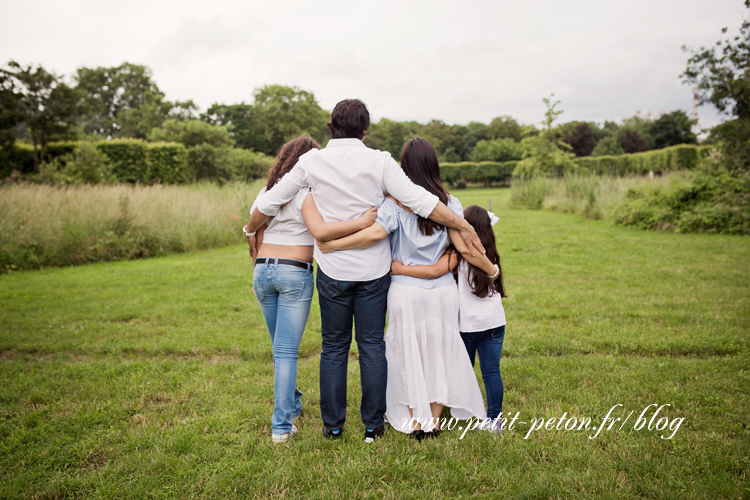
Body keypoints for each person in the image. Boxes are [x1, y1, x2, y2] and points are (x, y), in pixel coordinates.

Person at [243, 99, 484, 443]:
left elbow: (268, 203)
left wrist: (250, 231)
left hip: (333, 270)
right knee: (371, 346)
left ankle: (334, 426)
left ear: (331, 126)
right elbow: (420, 200)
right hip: (373, 271)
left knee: (334, 348)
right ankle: (373, 426)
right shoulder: (379, 160)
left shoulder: (311, 161)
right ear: (364, 129)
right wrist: (463, 224)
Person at [317, 138, 498, 440]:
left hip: (404, 290)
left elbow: (373, 235)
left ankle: (416, 421)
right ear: (434, 164)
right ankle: (435, 420)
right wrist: (492, 269)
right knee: (439, 352)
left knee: (406, 354)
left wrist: (334, 244)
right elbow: (466, 248)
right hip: (442, 292)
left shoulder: (394, 203)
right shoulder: (450, 205)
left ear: (404, 167)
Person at [244, 136, 377, 443]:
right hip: (294, 273)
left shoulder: (267, 192)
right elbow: (323, 231)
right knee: (286, 352)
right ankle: (281, 426)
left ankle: (292, 402)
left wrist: (256, 274)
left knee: (279, 349)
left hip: (263, 271)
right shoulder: (309, 193)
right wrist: (361, 221)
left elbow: (254, 234)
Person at [393, 205, 507, 434]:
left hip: (467, 325)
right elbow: (495, 278)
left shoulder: (458, 254)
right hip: (494, 323)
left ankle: (454, 406)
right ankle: (495, 418)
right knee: (492, 371)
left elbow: (436, 271)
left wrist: (400, 268)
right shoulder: (490, 256)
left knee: (455, 367)